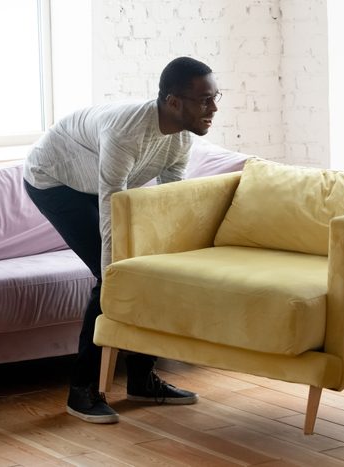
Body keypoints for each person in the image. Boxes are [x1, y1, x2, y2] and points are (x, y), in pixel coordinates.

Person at [23, 56, 221, 424]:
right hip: (54, 180)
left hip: (99, 182)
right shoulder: (127, 132)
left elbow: (170, 199)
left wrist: (175, 256)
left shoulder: (181, 136)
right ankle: (81, 391)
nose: (213, 108)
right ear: (174, 102)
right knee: (112, 276)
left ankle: (142, 380)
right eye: (205, 100)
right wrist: (115, 272)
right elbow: (111, 203)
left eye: (215, 97)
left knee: (149, 270)